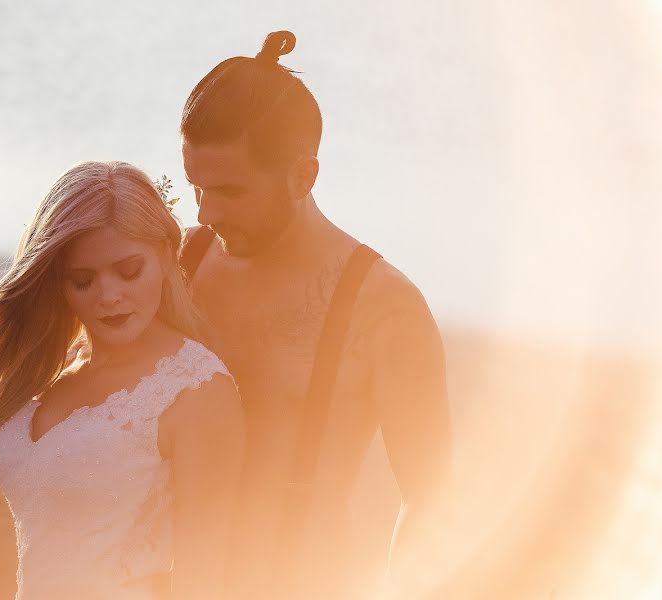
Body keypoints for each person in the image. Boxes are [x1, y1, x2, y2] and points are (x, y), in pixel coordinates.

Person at [178, 31, 455, 599]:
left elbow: (433, 497)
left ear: (304, 176)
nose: (207, 212)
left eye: (230, 191)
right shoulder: (183, 261)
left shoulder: (384, 306)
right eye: (196, 187)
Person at [0, 161, 245, 599]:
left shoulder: (196, 390)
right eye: (82, 280)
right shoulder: (52, 370)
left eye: (128, 270)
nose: (109, 295)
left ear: (164, 254)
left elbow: (206, 577)